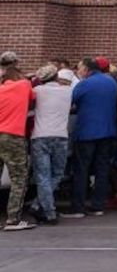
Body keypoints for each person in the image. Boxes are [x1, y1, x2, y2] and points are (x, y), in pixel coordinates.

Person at [64, 57, 117, 219]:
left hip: (86, 132)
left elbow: (71, 102)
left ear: (87, 69)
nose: (78, 72)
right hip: (108, 130)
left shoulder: (84, 84)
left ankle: (78, 207)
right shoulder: (111, 82)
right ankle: (98, 205)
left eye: (80, 68)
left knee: (82, 170)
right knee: (102, 169)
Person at [29, 66, 74, 225]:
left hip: (40, 136)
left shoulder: (36, 91)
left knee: (42, 176)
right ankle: (46, 209)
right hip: (60, 136)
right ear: (56, 77)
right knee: (58, 174)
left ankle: (43, 208)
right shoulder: (68, 91)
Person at [0, 66, 35, 231]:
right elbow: (32, 96)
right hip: (12, 135)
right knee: (19, 177)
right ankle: (13, 219)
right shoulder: (23, 85)